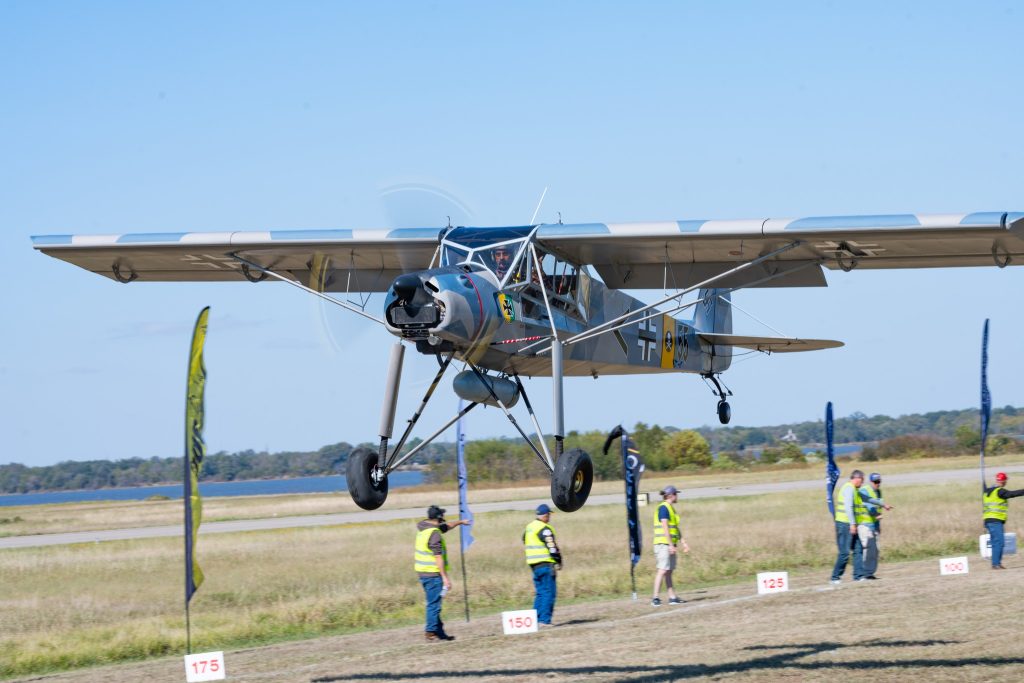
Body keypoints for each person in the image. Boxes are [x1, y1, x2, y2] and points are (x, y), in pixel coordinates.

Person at [414, 505, 470, 641]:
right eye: (442, 516)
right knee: (434, 604)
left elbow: (447, 526)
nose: (444, 518)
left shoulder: (425, 528)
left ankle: (439, 631)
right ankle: (430, 631)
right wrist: (445, 578)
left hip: (423, 573)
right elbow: (438, 557)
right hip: (433, 574)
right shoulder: (434, 534)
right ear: (439, 517)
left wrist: (461, 522)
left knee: (433, 602)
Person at [523, 503, 561, 626]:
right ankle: (544, 620)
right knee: (549, 592)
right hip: (546, 564)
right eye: (548, 515)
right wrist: (558, 560)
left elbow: (524, 539)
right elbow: (552, 547)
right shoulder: (544, 529)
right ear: (545, 515)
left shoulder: (529, 527)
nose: (549, 517)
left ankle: (533, 621)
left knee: (540, 593)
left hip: (534, 565)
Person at [651, 485, 689, 606]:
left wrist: (683, 542)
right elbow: (665, 527)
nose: (677, 496)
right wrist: (670, 545)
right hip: (663, 544)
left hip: (668, 544)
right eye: (676, 494)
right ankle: (655, 598)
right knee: (662, 570)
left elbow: (675, 528)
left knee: (668, 571)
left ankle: (672, 597)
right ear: (670, 495)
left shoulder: (670, 508)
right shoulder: (663, 508)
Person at [831, 470, 870, 584]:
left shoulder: (855, 490)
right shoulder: (849, 488)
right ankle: (835, 577)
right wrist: (853, 524)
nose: (862, 483)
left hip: (851, 524)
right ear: (857, 479)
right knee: (844, 552)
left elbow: (867, 499)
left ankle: (858, 576)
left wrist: (883, 504)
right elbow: (848, 506)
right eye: (862, 481)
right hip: (845, 524)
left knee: (858, 549)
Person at [983, 472, 1024, 569]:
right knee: (999, 542)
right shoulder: (999, 491)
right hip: (995, 520)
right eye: (1006, 480)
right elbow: (1012, 494)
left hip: (988, 520)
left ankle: (996, 563)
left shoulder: (987, 491)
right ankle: (996, 564)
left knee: (995, 542)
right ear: (1004, 481)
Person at [857, 472, 894, 579]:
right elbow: (868, 504)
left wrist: (878, 524)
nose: (878, 484)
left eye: (879, 481)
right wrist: (875, 514)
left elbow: (878, 504)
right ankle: (863, 573)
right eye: (876, 482)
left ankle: (870, 573)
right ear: (871, 481)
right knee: (867, 549)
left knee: (875, 549)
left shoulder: (878, 492)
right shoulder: (865, 490)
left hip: (875, 524)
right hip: (865, 524)